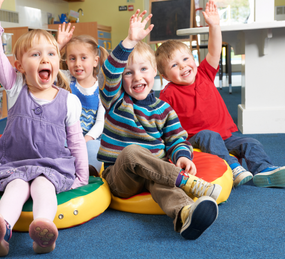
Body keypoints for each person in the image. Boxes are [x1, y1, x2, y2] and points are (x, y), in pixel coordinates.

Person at [99, 9, 222, 240]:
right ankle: (186, 182)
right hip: (120, 177)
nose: (137, 77)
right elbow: (110, 72)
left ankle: (185, 215)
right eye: (128, 73)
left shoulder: (164, 109)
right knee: (132, 152)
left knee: (162, 184)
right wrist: (129, 41)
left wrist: (182, 156)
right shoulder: (115, 102)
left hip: (155, 171)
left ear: (155, 72)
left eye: (144, 69)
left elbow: (176, 139)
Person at [0, 0, 88, 256]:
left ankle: (43, 232)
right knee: (16, 188)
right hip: (16, 163)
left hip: (51, 165)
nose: (44, 59)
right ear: (19, 66)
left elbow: (76, 141)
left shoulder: (68, 101)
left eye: (50, 54)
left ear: (57, 62)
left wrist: (81, 177)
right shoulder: (16, 88)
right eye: (35, 55)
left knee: (43, 187)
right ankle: (0, 232)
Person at [157, 0, 285, 188]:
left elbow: (214, 51)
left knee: (251, 142)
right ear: (165, 76)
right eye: (174, 65)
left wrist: (214, 25)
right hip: (196, 137)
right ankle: (232, 167)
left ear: (193, 59)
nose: (183, 66)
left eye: (185, 59)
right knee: (209, 136)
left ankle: (264, 170)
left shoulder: (204, 73)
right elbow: (161, 120)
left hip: (226, 135)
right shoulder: (168, 93)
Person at [55, 23, 109, 176]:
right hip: (68, 136)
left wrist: (85, 140)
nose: (77, 63)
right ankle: (62, 170)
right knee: (57, 145)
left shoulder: (102, 87)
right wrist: (59, 45)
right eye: (72, 58)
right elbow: (48, 64)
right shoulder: (65, 80)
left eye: (83, 58)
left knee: (94, 148)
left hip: (90, 138)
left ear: (95, 61)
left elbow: (100, 122)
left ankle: (88, 173)